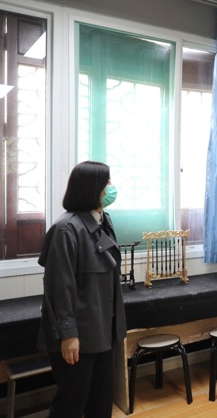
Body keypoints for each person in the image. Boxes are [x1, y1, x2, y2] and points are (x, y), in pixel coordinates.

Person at [37, 161, 125, 418]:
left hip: (103, 330)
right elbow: (59, 288)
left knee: (101, 402)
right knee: (70, 406)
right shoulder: (66, 229)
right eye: (107, 183)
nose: (111, 188)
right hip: (78, 336)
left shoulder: (103, 221)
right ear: (92, 188)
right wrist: (68, 335)